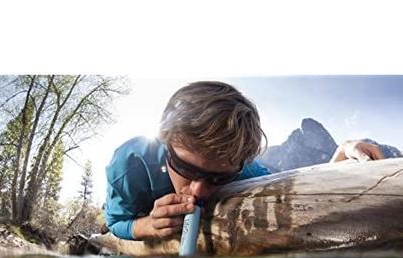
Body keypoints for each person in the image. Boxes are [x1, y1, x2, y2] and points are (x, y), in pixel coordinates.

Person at [104, 81, 383, 241]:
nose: (199, 190)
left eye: (218, 178)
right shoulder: (129, 164)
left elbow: (295, 187)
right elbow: (116, 221)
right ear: (164, 141)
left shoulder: (245, 171)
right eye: (186, 169)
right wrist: (145, 227)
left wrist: (342, 154)